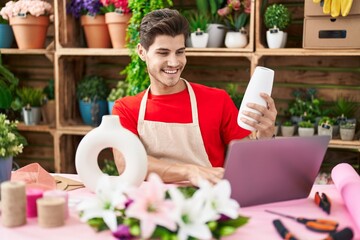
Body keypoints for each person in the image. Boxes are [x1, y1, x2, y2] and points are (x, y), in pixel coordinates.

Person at [112, 8, 277, 186]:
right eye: (163, 53)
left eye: (180, 52)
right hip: (153, 207)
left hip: (210, 205)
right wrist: (190, 171)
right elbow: (126, 163)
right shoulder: (126, 109)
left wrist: (265, 137)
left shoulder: (217, 100)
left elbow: (247, 163)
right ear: (142, 52)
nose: (174, 62)